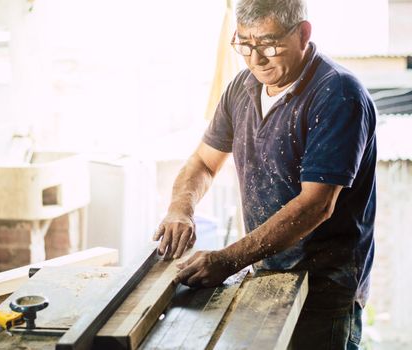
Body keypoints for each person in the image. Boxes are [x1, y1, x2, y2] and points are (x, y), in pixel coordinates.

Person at [152, 0, 377, 348]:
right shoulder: (242, 88)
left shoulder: (338, 94)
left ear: (303, 34)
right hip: (265, 272)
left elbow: (315, 205)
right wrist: (180, 207)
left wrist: (228, 259)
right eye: (245, 45)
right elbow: (203, 162)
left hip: (324, 287)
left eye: (269, 45)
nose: (256, 60)